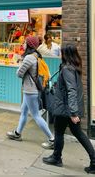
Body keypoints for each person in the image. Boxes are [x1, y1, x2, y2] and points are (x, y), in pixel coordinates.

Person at [43, 44, 95, 174]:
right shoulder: (74, 67)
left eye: (61, 52)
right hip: (67, 107)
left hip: (65, 108)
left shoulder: (67, 69)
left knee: (59, 132)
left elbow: (71, 90)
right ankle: (93, 161)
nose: (60, 54)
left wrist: (73, 112)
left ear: (66, 54)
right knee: (77, 133)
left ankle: (56, 158)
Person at [6, 36, 54, 149]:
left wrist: (20, 64)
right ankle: (17, 133)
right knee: (23, 111)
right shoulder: (37, 56)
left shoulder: (29, 58)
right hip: (33, 89)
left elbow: (19, 74)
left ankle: (52, 139)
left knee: (36, 115)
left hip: (30, 90)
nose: (23, 44)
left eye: (25, 43)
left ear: (29, 45)